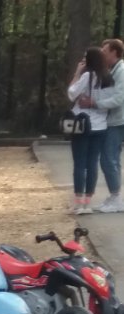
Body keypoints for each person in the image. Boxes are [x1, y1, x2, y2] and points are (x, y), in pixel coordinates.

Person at [79, 38, 124, 213]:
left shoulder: (121, 71)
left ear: (114, 52)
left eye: (105, 51)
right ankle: (115, 196)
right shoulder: (114, 70)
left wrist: (94, 103)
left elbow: (119, 98)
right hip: (114, 118)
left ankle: (116, 197)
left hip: (116, 120)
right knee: (112, 158)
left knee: (108, 158)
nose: (103, 54)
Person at [67, 47, 113, 215]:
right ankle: (88, 202)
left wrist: (76, 73)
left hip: (83, 124)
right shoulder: (108, 77)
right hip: (100, 125)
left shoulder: (87, 76)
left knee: (80, 163)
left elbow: (72, 94)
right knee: (92, 163)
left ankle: (78, 203)